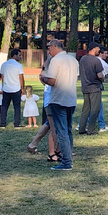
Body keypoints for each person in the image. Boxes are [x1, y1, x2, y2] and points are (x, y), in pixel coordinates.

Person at [40, 38, 79, 170]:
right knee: (68, 130)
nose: (48, 50)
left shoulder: (55, 61)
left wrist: (43, 78)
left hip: (58, 100)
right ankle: (67, 156)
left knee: (61, 131)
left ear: (55, 46)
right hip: (71, 99)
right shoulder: (73, 60)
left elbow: (52, 81)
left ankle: (66, 162)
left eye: (49, 47)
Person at [77, 42, 105, 135]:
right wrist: (103, 79)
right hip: (94, 87)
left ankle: (81, 128)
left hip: (85, 87)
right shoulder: (96, 60)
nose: (99, 50)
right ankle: (91, 130)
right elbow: (99, 75)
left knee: (85, 109)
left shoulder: (82, 59)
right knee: (95, 109)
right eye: (98, 49)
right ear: (94, 48)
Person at [0, 48, 25, 127]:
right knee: (17, 107)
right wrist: (22, 89)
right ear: (14, 55)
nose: (20, 57)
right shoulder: (18, 66)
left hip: (6, 88)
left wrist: (3, 86)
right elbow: (21, 78)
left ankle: (2, 123)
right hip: (16, 89)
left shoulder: (4, 65)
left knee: (4, 107)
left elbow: (2, 77)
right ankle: (17, 123)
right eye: (19, 55)